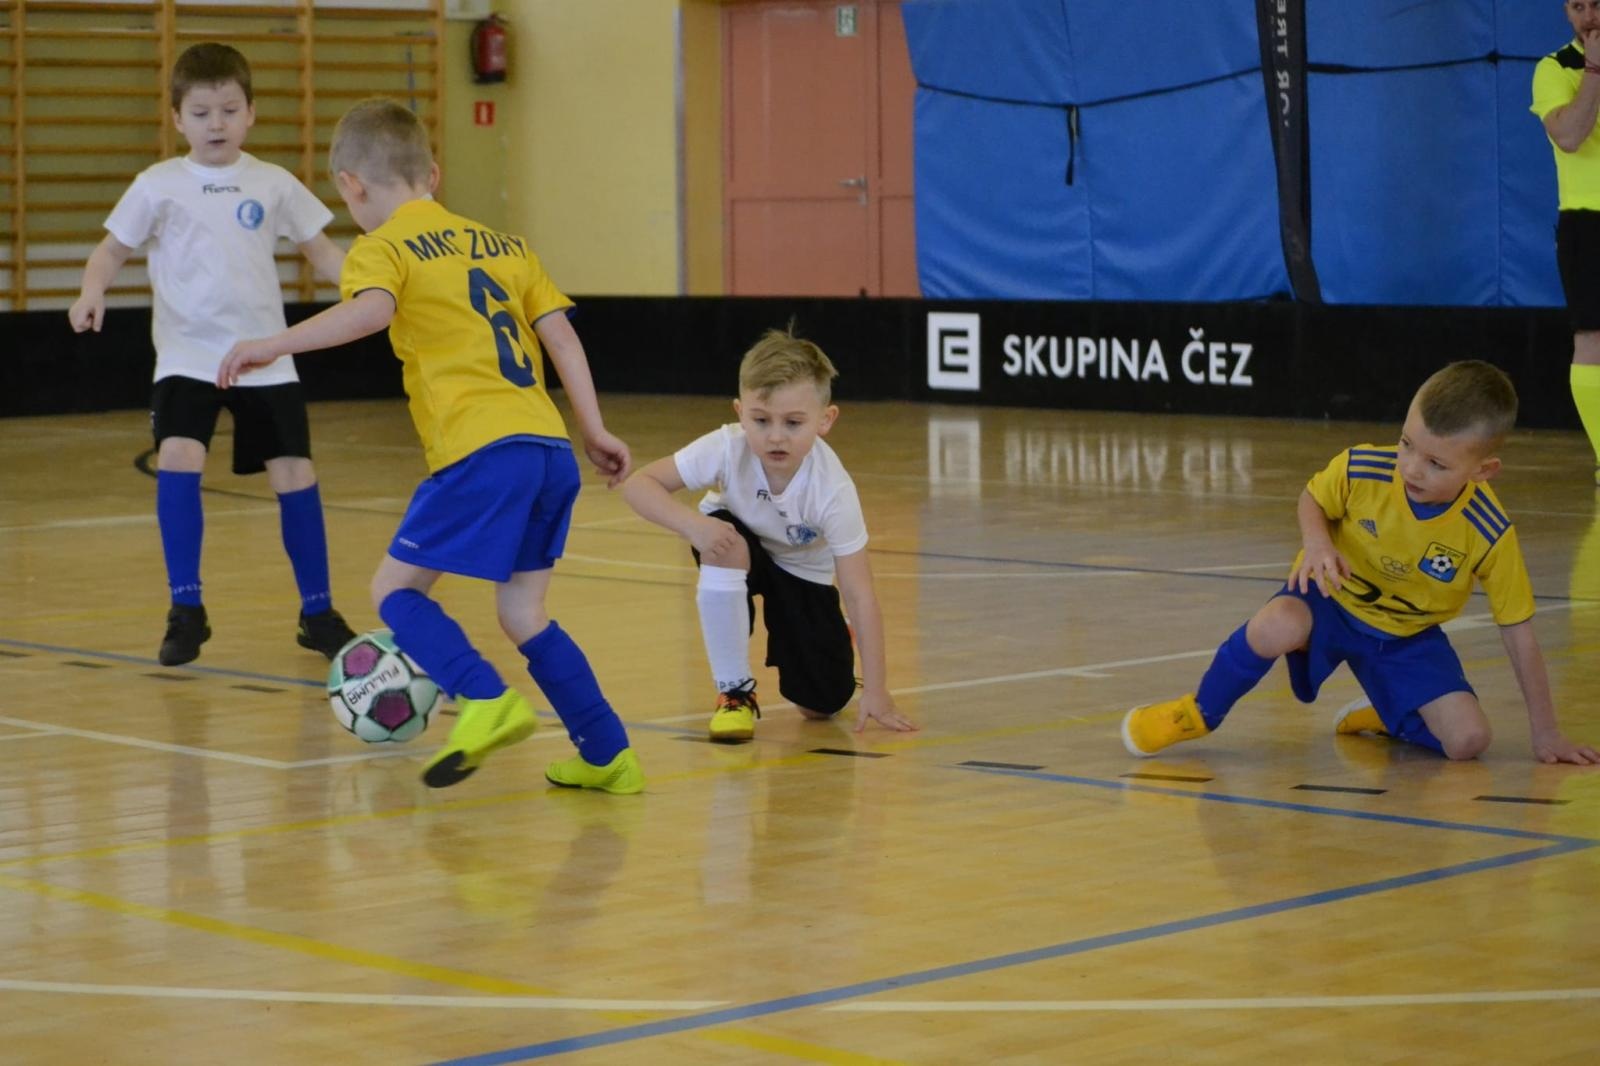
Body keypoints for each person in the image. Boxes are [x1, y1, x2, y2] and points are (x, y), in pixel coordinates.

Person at [216, 98, 643, 793]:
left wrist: (273, 344)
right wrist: (593, 428)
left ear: (351, 185)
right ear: (434, 174)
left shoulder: (381, 248)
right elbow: (562, 338)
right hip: (548, 449)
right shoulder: (507, 246)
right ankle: (609, 755)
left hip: (481, 451)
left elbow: (370, 312)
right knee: (523, 613)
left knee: (393, 590)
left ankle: (483, 697)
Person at [1121, 360, 1600, 766]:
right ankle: (1197, 713)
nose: (1411, 468)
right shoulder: (1363, 468)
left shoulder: (1489, 531)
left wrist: (1546, 732)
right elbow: (1312, 498)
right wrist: (1316, 544)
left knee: (1468, 742)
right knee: (1275, 625)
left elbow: (1519, 634)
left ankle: (1392, 714)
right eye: (1407, 444)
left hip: (1407, 637)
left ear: (1483, 471)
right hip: (1329, 603)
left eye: (1436, 464)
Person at [67, 42, 356, 666]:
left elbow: (321, 251)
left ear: (251, 113)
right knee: (179, 456)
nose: (216, 124)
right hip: (187, 357)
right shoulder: (158, 185)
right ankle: (187, 609)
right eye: (201, 113)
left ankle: (317, 613)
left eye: (228, 110)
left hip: (265, 358)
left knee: (295, 474)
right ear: (177, 118)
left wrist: (368, 289)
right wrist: (92, 291)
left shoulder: (273, 182)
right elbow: (111, 250)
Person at [620, 327, 918, 743]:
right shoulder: (727, 446)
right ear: (740, 412)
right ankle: (734, 693)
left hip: (801, 572)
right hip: (739, 546)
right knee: (724, 541)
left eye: (793, 423)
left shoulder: (833, 490)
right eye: (761, 420)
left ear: (825, 420)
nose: (776, 436)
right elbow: (639, 484)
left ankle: (837, 633)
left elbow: (860, 592)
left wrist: (879, 690)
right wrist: (694, 526)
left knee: (820, 705)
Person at [1531, 0, 1600, 488]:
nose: (1589, 15)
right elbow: (1571, 136)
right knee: (1592, 339)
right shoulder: (1554, 68)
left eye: (1596, 4)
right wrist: (1594, 69)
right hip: (1587, 219)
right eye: (1578, 6)